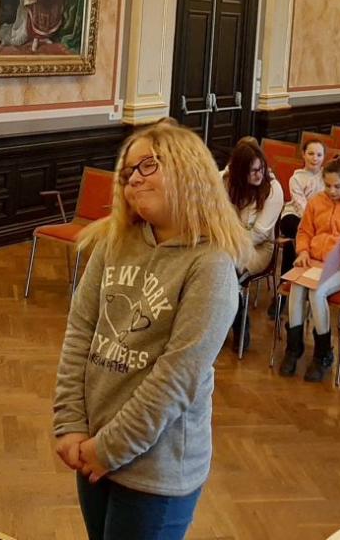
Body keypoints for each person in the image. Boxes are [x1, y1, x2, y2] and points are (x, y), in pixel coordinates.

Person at [53, 122, 250, 540]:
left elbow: (177, 376)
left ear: (187, 171)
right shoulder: (114, 241)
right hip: (93, 448)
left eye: (147, 165)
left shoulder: (211, 265)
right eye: (128, 173)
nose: (134, 179)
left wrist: (110, 448)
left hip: (156, 470)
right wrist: (70, 422)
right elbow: (80, 331)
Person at [278, 154, 340, 384]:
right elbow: (304, 232)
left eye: (337, 186)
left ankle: (323, 353)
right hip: (313, 262)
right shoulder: (316, 202)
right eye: (328, 185)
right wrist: (302, 251)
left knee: (316, 291)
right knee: (297, 287)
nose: (331, 191)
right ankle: (294, 347)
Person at [222, 138, 284, 351]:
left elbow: (259, 234)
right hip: (230, 244)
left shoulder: (273, 189)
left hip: (258, 249)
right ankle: (218, 324)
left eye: (261, 168)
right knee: (209, 267)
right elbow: (218, 217)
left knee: (226, 272)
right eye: (252, 171)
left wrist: (228, 242)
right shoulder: (228, 182)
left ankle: (240, 327)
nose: (259, 175)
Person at [276, 138, 325, 276]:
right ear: (303, 154)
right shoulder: (296, 178)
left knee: (299, 240)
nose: (315, 158)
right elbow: (301, 205)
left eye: (319, 155)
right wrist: (313, 224)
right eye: (311, 154)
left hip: (318, 218)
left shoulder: (327, 176)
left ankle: (307, 276)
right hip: (294, 215)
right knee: (298, 232)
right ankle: (287, 280)